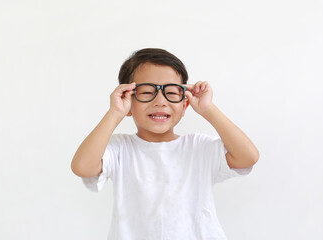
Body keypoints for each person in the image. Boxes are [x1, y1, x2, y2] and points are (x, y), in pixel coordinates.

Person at [71, 48, 259, 239]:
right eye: (146, 92)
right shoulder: (120, 148)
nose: (160, 101)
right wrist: (115, 113)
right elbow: (83, 167)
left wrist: (208, 109)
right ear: (128, 100)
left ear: (184, 104)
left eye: (170, 92)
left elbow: (247, 157)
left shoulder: (198, 147)